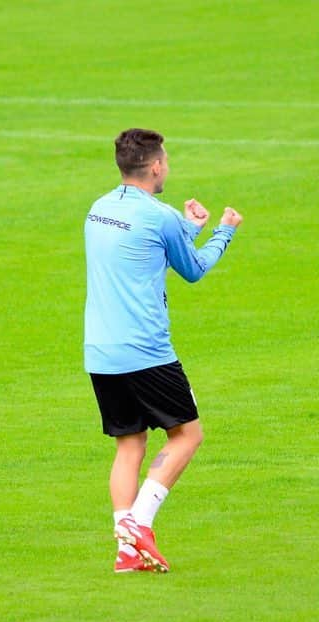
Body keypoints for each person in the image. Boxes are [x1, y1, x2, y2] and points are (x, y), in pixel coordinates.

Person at [84, 128, 243, 572]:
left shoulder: (97, 210)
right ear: (155, 166)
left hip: (100, 351)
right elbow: (192, 269)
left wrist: (188, 227)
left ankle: (126, 550)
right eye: (166, 161)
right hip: (146, 351)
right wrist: (222, 231)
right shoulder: (160, 216)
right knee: (188, 435)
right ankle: (140, 522)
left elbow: (142, 253)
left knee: (129, 444)